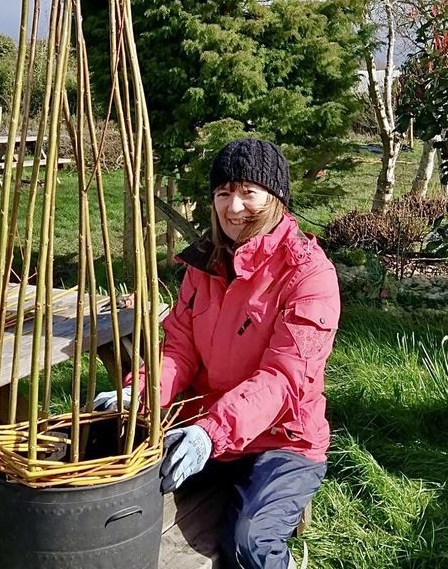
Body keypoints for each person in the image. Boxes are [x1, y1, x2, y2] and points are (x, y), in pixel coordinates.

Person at [96, 138, 340, 568]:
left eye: (249, 191)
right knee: (119, 495)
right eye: (223, 192)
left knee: (248, 544)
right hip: (205, 430)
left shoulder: (309, 274)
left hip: (283, 440)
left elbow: (283, 380)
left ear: (276, 197)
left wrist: (212, 431)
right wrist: (141, 395)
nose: (233, 206)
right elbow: (179, 349)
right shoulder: (203, 264)